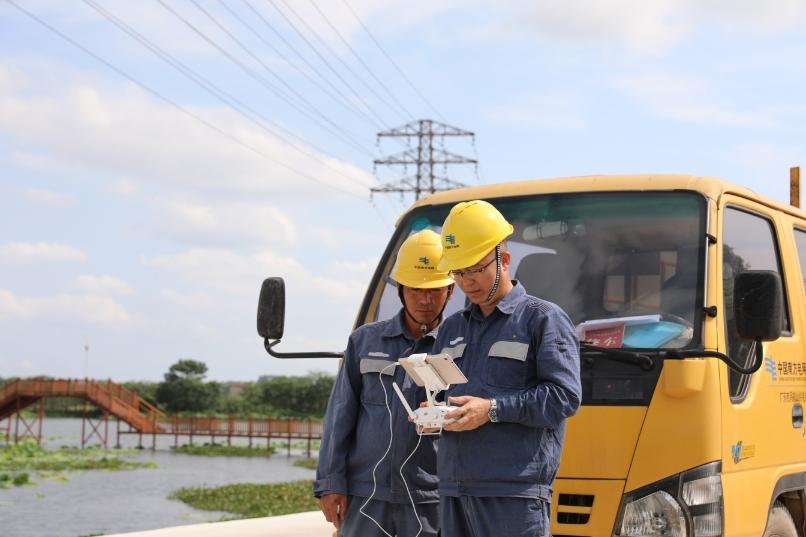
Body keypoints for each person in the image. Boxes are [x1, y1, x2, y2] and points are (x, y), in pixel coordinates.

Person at [432, 200, 582, 537]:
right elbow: (447, 394)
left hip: (513, 493)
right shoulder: (452, 328)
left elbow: (565, 397)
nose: (467, 282)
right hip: (454, 488)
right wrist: (435, 413)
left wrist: (493, 410)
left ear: (505, 260)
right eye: (458, 272)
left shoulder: (542, 319)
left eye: (475, 269)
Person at [315, 229, 455, 537]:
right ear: (400, 289)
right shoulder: (364, 341)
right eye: (416, 289)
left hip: (433, 498)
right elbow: (339, 417)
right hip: (367, 495)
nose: (425, 299)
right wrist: (330, 483)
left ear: (451, 290)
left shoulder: (460, 345)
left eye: (435, 290)